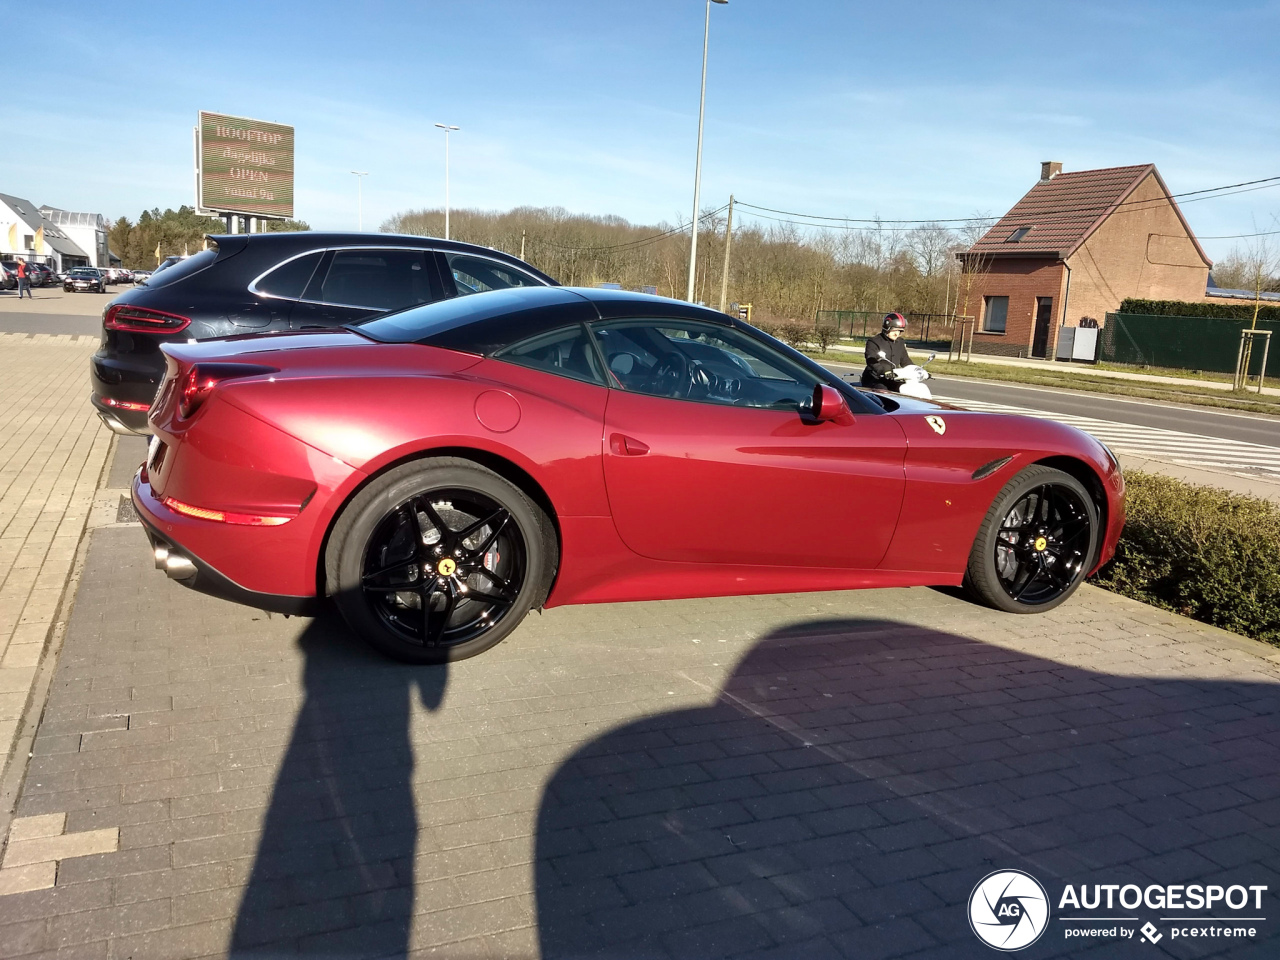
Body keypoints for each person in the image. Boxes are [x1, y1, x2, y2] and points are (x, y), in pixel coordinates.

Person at [861, 312, 912, 390]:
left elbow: (905, 361)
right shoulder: (874, 341)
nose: (896, 334)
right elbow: (871, 359)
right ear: (886, 328)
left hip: (893, 378)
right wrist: (883, 370)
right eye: (894, 330)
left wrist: (917, 370)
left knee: (906, 389)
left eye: (899, 331)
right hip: (875, 379)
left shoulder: (900, 342)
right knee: (883, 392)